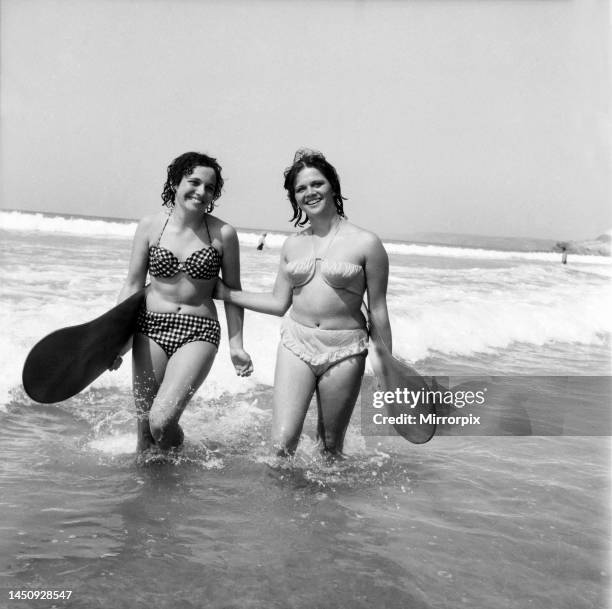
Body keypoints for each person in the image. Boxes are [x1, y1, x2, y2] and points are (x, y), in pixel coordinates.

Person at [214, 149, 391, 457]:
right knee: (281, 445)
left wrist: (385, 366)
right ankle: (279, 504)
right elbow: (278, 302)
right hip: (296, 343)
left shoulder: (367, 243)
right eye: (301, 188)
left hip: (345, 350)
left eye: (317, 184)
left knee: (330, 447)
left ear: (332, 186)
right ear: (294, 198)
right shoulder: (292, 244)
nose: (310, 192)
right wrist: (225, 293)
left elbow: (377, 309)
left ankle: (322, 505)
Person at [116, 152, 253, 453]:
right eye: (194, 182)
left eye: (210, 187)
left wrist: (237, 345)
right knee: (144, 435)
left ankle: (183, 450)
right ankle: (153, 494)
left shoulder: (223, 234)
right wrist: (113, 342)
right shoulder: (150, 226)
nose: (201, 191)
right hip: (149, 327)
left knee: (161, 422)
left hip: (199, 331)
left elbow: (234, 292)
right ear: (176, 183)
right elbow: (132, 285)